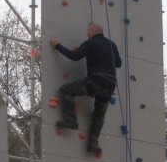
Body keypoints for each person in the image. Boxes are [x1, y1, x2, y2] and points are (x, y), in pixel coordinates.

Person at [50, 22, 122, 154]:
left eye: (88, 31)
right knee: (99, 115)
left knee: (65, 90)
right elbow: (118, 63)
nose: (86, 33)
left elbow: (75, 56)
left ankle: (71, 120)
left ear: (93, 31)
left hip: (96, 80)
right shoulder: (112, 45)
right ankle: (93, 143)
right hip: (109, 86)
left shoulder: (90, 43)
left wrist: (58, 46)